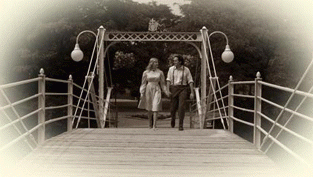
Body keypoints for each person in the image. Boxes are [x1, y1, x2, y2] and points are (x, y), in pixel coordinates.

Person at [138, 58, 169, 130]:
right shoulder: (146, 72)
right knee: (149, 107)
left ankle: (155, 125)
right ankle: (149, 124)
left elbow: (162, 84)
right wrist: (142, 93)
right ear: (151, 63)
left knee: (156, 106)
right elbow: (143, 83)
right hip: (149, 89)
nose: (157, 64)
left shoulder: (160, 72)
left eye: (157, 62)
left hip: (157, 89)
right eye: (155, 62)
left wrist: (166, 91)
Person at [166, 55, 194, 131]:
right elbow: (168, 80)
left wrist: (192, 92)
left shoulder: (186, 70)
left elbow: (190, 81)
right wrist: (167, 90)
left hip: (183, 88)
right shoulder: (171, 69)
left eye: (175, 60)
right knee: (173, 107)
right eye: (174, 61)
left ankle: (180, 125)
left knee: (181, 106)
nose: (174, 62)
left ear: (180, 61)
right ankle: (173, 118)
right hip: (174, 88)